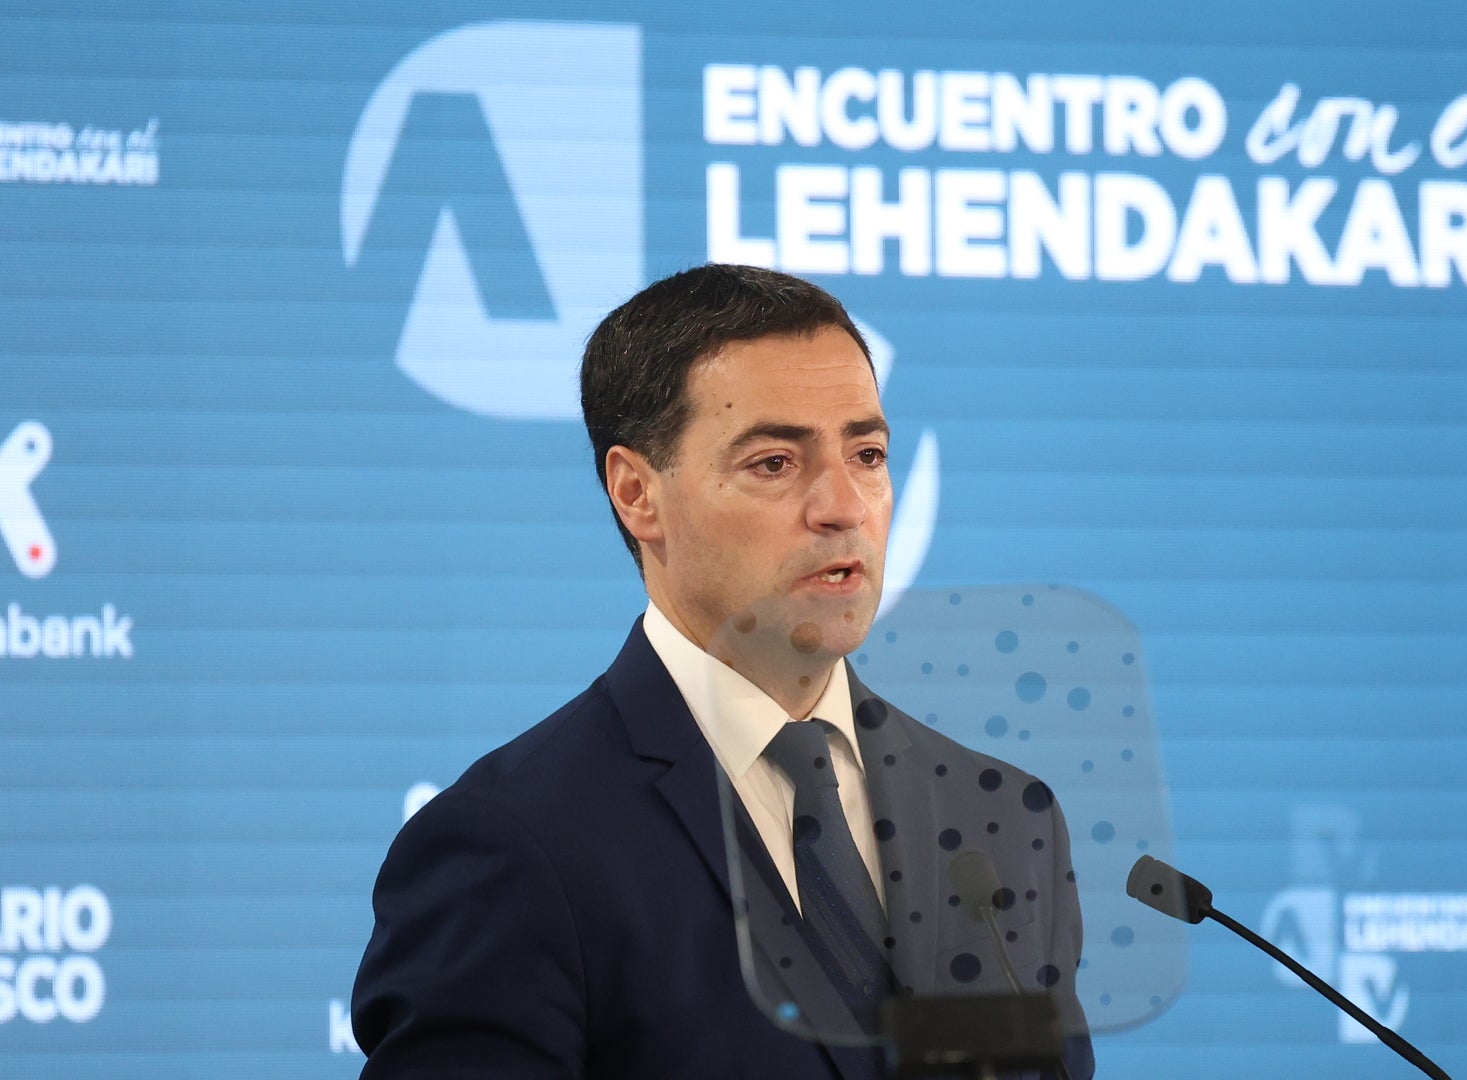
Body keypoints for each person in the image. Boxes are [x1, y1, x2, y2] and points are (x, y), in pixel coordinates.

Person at [351, 264, 1095, 1079]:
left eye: (867, 454)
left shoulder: (1001, 820)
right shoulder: (512, 846)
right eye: (775, 463)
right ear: (637, 493)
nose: (844, 506)